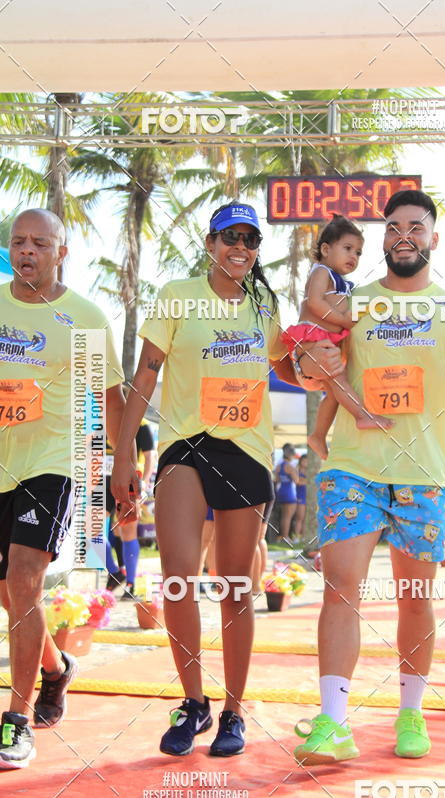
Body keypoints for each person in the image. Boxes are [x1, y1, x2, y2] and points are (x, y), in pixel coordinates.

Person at [111, 201, 337, 758]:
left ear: (256, 248)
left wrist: (314, 366)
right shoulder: (177, 295)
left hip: (247, 451)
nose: (241, 247)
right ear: (210, 244)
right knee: (177, 579)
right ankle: (194, 703)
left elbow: (283, 364)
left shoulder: (264, 303)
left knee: (235, 586)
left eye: (250, 239)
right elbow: (145, 372)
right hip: (186, 445)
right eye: (229, 237)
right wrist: (121, 454)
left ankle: (235, 711)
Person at [292, 189, 445, 765]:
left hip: (425, 473)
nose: (404, 235)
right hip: (353, 467)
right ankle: (333, 723)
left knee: (414, 598)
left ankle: (411, 714)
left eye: (416, 226)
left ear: (432, 238)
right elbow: (310, 358)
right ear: (384, 238)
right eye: (394, 227)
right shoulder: (354, 304)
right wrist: (309, 366)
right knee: (341, 587)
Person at [0, 209, 127, 769]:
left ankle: (16, 720)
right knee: (8, 592)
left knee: (24, 578)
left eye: (40, 243)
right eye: (18, 243)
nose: (28, 251)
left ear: (61, 252)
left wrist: (123, 468)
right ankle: (55, 669)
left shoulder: (84, 316)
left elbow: (115, 396)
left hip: (55, 462)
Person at [281, 215, 391, 461]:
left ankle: (318, 435)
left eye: (359, 253)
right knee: (338, 381)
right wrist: (342, 319)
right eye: (348, 248)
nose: (354, 256)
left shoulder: (344, 283)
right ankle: (362, 415)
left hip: (325, 347)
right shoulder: (322, 272)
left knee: (334, 391)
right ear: (326, 249)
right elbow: (315, 301)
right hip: (311, 343)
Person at [105, 418, 157, 598]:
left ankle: (131, 583)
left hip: (130, 477)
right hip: (101, 478)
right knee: (91, 529)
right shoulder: (99, 418)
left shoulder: (140, 423)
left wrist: (144, 482)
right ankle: (115, 572)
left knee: (127, 531)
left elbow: (150, 455)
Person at [274, 443, 298, 543]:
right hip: (289, 492)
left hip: (281, 491)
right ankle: (285, 536)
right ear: (291, 455)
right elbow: (296, 480)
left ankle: (282, 536)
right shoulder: (290, 467)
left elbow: (277, 480)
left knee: (284, 516)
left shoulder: (278, 466)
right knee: (288, 516)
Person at [291, 454, 308, 541]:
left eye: (307, 461)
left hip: (307, 496)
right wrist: (308, 481)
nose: (305, 463)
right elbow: (298, 482)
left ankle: (304, 537)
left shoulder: (310, 471)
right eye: (304, 460)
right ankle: (296, 536)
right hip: (299, 496)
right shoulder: (297, 470)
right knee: (299, 517)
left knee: (306, 518)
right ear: (300, 461)